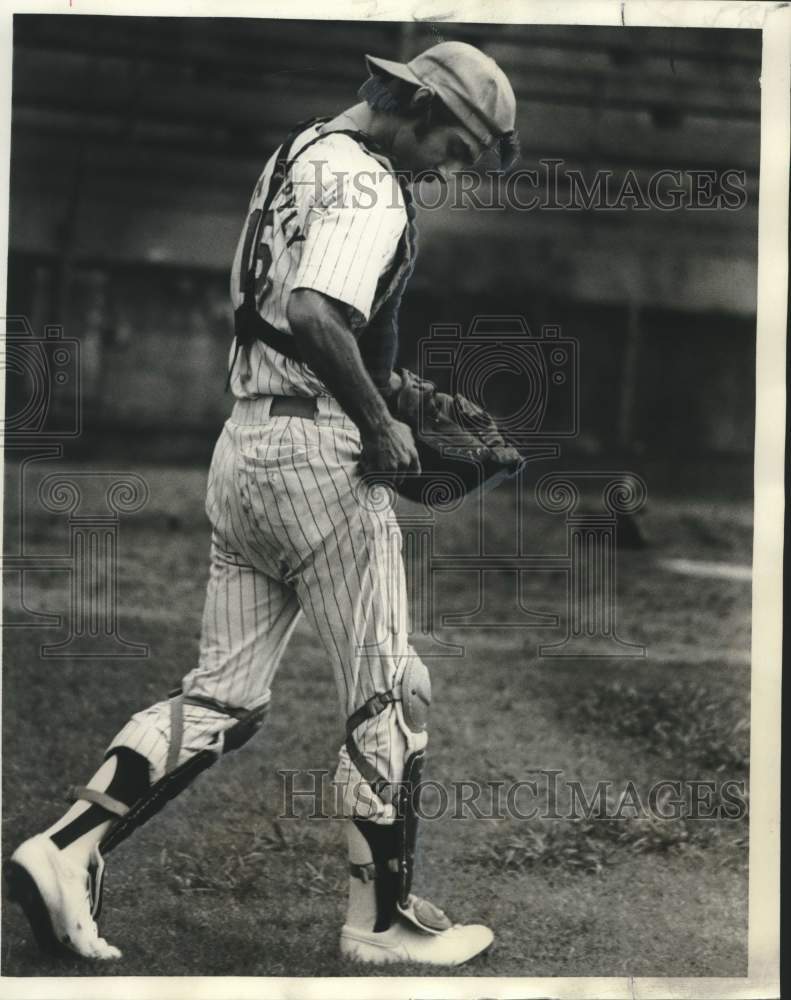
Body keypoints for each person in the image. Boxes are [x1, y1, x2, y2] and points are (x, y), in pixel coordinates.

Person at [5, 40, 518, 967]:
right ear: (418, 110)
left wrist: (389, 389)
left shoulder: (303, 152)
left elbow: (286, 311)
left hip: (245, 448)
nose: (450, 173)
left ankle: (65, 847)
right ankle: (379, 926)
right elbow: (318, 312)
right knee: (389, 696)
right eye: (456, 150)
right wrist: (378, 422)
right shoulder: (368, 181)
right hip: (320, 455)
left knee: (224, 698)